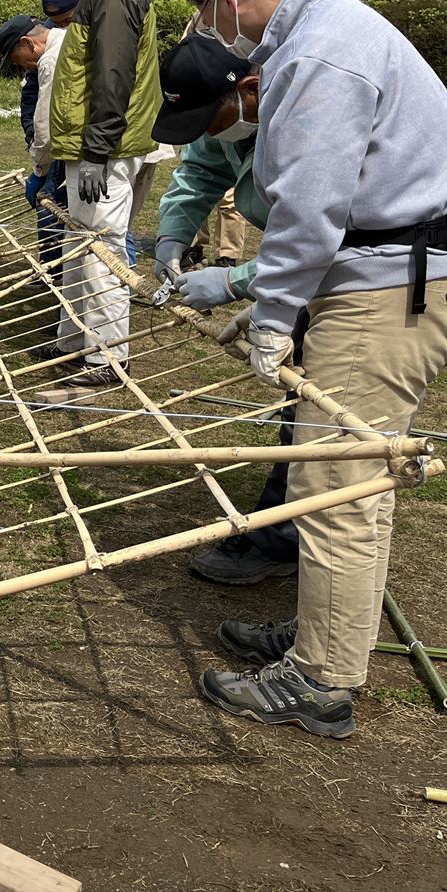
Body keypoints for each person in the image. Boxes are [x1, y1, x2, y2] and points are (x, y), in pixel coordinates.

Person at [176, 0, 447, 739]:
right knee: (346, 476)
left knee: (336, 483)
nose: (210, 34)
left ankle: (321, 680)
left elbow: (312, 207)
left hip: (389, 284)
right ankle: (330, 629)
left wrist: (269, 310)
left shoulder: (319, 55)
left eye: (203, 16)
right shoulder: (331, 31)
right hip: (387, 274)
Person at [149, 32, 298, 587]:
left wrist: (239, 281)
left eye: (212, 118)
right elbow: (200, 172)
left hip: (383, 271)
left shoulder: (302, 121)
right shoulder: (230, 120)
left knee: (323, 419)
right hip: (322, 273)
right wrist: (172, 237)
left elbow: (325, 239)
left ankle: (285, 540)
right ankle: (285, 533)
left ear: (250, 90)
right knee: (301, 411)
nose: (209, 131)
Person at [30, 0, 162, 397]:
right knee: (78, 241)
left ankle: (108, 357)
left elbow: (113, 74)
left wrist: (100, 150)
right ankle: (75, 341)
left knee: (101, 247)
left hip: (103, 146)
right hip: (89, 145)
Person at [0, 15, 66, 278]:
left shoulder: (50, 60)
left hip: (81, 150)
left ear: (28, 42)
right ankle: (58, 272)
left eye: (18, 60)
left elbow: (46, 125)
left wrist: (39, 172)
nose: (23, 66)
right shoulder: (67, 42)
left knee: (59, 207)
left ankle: (57, 273)